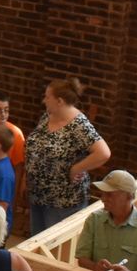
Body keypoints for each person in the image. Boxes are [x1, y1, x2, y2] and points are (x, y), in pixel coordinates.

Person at [24, 77, 111, 236]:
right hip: (39, 195)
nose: (44, 100)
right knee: (36, 242)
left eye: (47, 97)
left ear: (60, 101)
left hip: (62, 201)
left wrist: (77, 168)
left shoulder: (79, 125)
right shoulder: (47, 117)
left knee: (54, 245)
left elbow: (103, 153)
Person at [76, 169, 137, 271]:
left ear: (129, 196)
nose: (103, 199)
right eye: (103, 193)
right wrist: (95, 267)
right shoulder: (94, 220)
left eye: (110, 194)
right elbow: (82, 259)